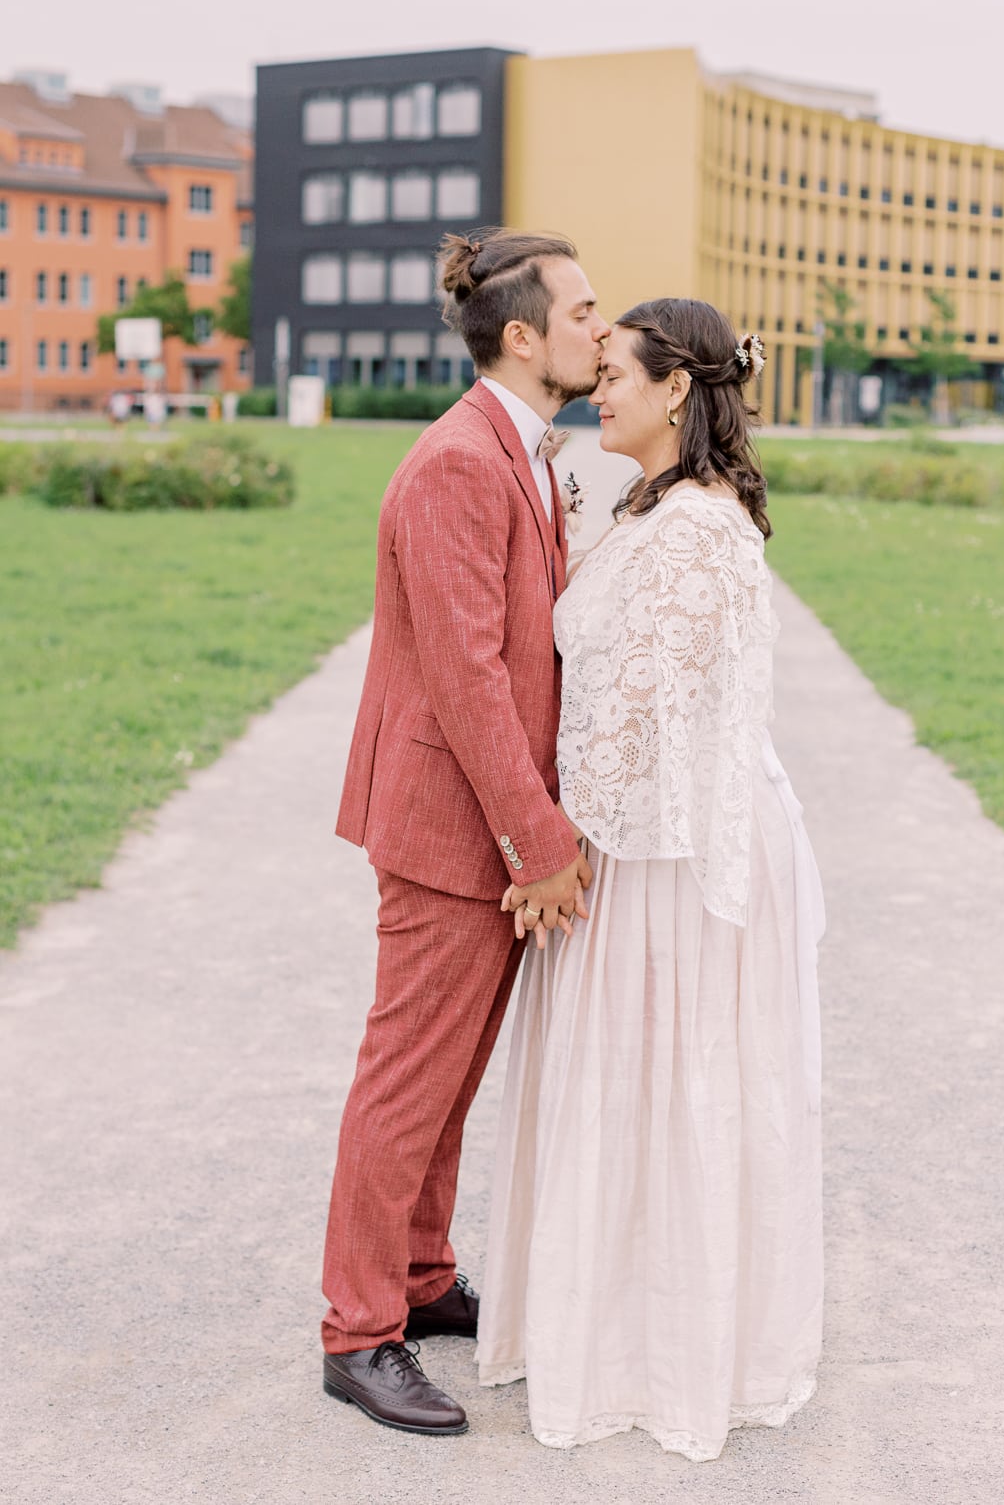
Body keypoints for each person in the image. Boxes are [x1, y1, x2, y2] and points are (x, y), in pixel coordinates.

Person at [478, 299, 827, 1462]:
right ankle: (619, 1319)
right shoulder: (649, 505)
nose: (598, 391)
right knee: (630, 1088)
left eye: (619, 373)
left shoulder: (695, 532)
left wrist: (555, 855)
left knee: (667, 1085)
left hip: (665, 852)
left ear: (678, 389)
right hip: (633, 837)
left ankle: (655, 1349)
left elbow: (637, 716)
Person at [321, 228, 609, 1436]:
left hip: (483, 829)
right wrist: (537, 840)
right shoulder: (456, 464)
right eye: (586, 311)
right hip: (451, 829)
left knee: (452, 1077)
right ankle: (358, 1332)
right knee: (406, 1081)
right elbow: (467, 676)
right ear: (523, 335)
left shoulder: (524, 448)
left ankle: (423, 1279)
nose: (605, 327)